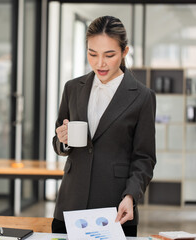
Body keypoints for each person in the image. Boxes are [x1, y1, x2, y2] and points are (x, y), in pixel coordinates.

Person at [51, 15, 156, 237]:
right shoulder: (72, 88)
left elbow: (144, 158)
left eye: (109, 55)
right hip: (70, 204)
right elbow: (58, 142)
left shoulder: (142, 97)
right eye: (92, 54)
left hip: (116, 206)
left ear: (124, 52)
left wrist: (131, 196)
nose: (100, 63)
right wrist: (62, 140)